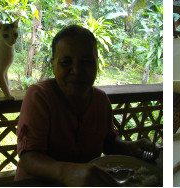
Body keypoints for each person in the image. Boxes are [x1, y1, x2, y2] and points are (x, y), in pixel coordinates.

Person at [15, 25, 156, 186]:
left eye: (87, 62)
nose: (76, 70)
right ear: (53, 65)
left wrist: (130, 147)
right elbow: (28, 157)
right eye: (66, 62)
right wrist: (68, 172)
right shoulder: (40, 96)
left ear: (97, 64)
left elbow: (108, 142)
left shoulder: (100, 100)